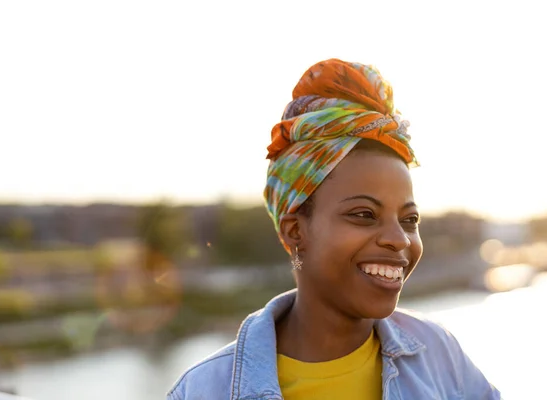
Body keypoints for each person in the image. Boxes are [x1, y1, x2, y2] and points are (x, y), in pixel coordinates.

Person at [167, 59, 500, 399]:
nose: (398, 239)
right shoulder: (203, 391)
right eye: (364, 214)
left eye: (409, 219)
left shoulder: (441, 357)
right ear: (295, 232)